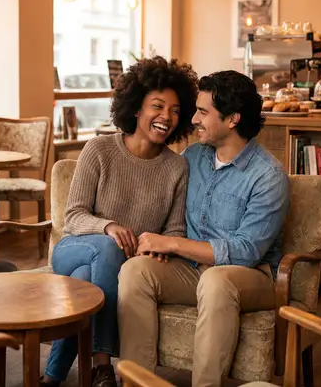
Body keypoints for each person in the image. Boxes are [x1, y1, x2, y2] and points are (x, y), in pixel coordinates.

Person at [118, 70, 290, 387]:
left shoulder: (267, 176)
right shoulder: (193, 157)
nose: (193, 119)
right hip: (193, 270)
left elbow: (246, 251)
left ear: (232, 119)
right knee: (136, 271)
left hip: (252, 276)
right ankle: (137, 382)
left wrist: (173, 245)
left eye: (203, 112)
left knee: (216, 279)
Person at [41, 56, 199, 387]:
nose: (166, 117)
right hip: (76, 247)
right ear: (136, 109)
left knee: (87, 281)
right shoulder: (98, 150)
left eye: (174, 110)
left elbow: (174, 230)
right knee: (104, 249)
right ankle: (102, 363)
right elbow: (73, 216)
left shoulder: (177, 168)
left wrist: (157, 250)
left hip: (119, 263)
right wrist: (109, 227)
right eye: (157, 106)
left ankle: (51, 378)